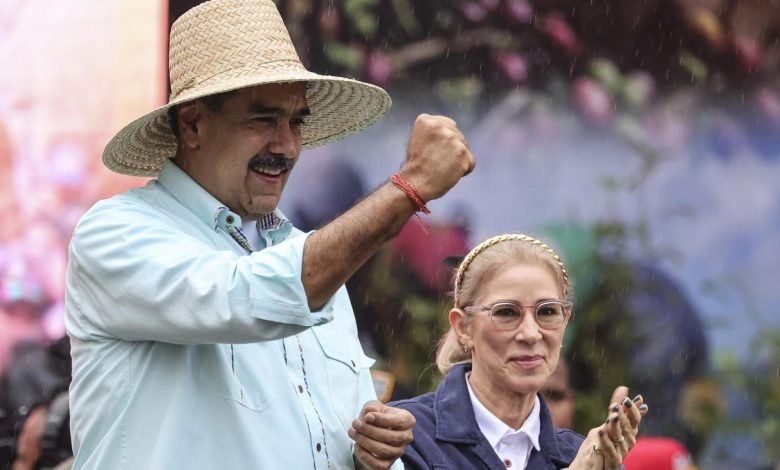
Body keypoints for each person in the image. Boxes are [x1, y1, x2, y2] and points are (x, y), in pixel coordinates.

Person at [64, 0, 474, 469]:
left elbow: (335, 436)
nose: (287, 145)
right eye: (263, 119)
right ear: (193, 124)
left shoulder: (312, 264)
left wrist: (371, 455)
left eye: (296, 121)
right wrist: (409, 187)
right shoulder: (115, 232)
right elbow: (248, 296)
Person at [390, 234, 649, 469]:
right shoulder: (402, 436)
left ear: (565, 321)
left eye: (547, 311)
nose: (531, 333)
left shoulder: (586, 455)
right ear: (464, 327)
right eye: (506, 312)